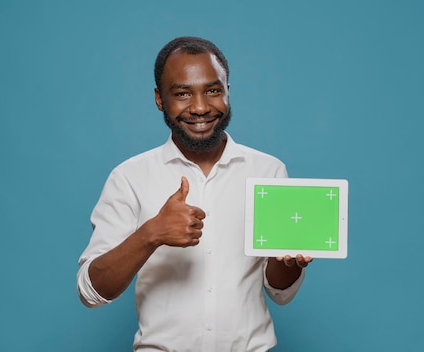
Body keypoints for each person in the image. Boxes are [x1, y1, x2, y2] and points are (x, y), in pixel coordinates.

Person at [77, 36, 313, 351]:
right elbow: (90, 291)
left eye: (213, 90)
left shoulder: (268, 171)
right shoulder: (129, 177)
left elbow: (280, 292)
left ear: (229, 91)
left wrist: (289, 262)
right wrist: (151, 234)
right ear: (160, 99)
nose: (200, 107)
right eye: (183, 93)